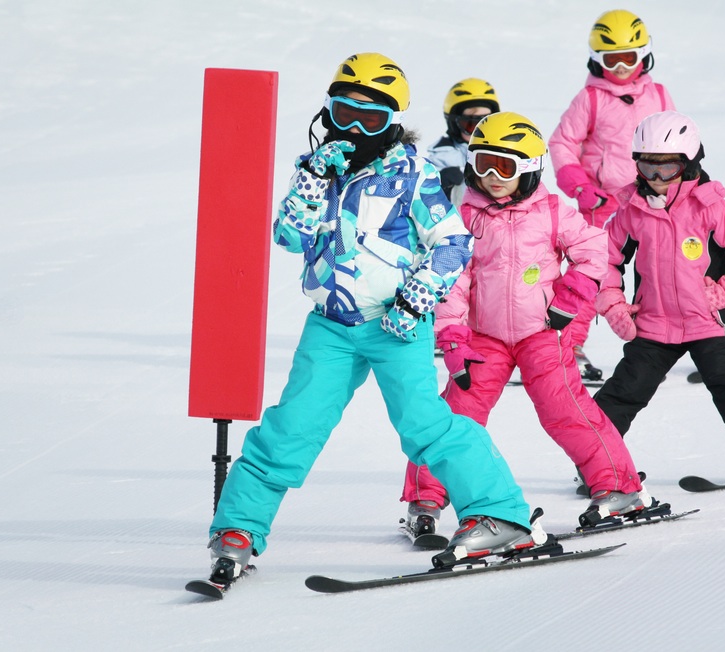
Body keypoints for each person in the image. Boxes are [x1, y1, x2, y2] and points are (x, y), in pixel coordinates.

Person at [204, 53, 550, 586]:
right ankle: (238, 530)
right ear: (328, 112)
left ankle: (499, 514)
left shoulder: (415, 174)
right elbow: (289, 237)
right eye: (345, 113)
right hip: (331, 324)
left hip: (397, 324)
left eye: (372, 118)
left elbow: (452, 242)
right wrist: (314, 180)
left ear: (393, 122)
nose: (356, 128)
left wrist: (417, 297)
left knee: (424, 425)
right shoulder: (318, 170)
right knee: (291, 428)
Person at [400, 111, 656, 539]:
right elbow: (454, 281)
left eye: (506, 167)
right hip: (485, 338)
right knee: (454, 415)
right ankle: (425, 499)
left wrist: (572, 296)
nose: (493, 177)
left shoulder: (553, 212)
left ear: (531, 170)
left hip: (542, 332)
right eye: (483, 164)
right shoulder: (463, 217)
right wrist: (452, 337)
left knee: (567, 412)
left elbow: (595, 250)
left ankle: (618, 487)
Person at [593, 110, 725, 482]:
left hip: (708, 316)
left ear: (688, 164)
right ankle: (598, 464)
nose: (655, 178)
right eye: (646, 166)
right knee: (625, 389)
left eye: (666, 168)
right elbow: (602, 259)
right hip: (654, 321)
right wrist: (614, 304)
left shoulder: (712, 204)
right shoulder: (631, 208)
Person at [549, 9, 675, 384]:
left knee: (664, 272)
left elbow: (676, 143)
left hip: (650, 201)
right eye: (611, 59)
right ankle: (567, 346)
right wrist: (582, 189)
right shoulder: (590, 99)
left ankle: (682, 339)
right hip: (602, 206)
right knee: (593, 276)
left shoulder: (659, 95)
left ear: (644, 55)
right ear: (596, 59)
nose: (620, 68)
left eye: (628, 58)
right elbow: (561, 143)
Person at [426, 78, 500, 206]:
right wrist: (439, 186)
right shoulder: (441, 159)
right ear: (454, 123)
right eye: (471, 124)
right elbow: (420, 199)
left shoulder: (502, 153)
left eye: (486, 123)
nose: (479, 132)